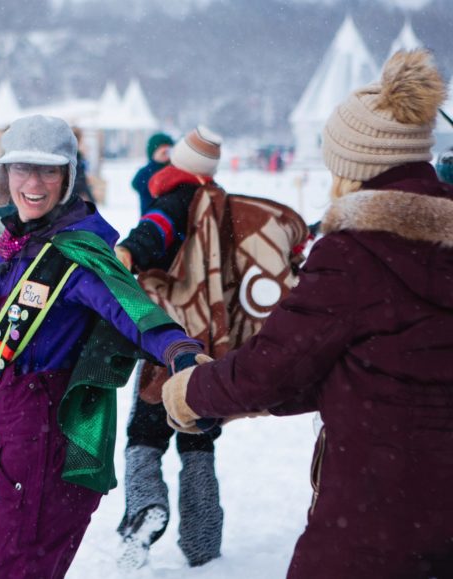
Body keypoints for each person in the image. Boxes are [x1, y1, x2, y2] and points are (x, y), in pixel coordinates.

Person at [162, 49, 453, 579]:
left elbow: (274, 364)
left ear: (354, 166)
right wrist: (254, 403)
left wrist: (191, 392)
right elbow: (381, 366)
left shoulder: (356, 253)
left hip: (376, 511)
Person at [0, 115, 203, 579]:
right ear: (4, 178)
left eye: (49, 170)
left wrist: (177, 348)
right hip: (13, 433)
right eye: (22, 169)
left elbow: (132, 309)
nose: (34, 183)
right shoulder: (14, 246)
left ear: (67, 178)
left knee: (13, 567)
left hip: (48, 434)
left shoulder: (75, 255)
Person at [112, 125, 226, 569]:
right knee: (199, 436)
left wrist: (128, 251)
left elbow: (156, 226)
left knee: (145, 432)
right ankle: (203, 539)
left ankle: (144, 508)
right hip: (211, 342)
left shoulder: (177, 195)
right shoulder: (219, 202)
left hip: (169, 338)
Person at [131, 132, 173, 216]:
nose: (165, 151)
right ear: (153, 152)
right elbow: (136, 183)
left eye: (168, 149)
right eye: (161, 148)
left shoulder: (173, 169)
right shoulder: (146, 172)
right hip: (150, 216)